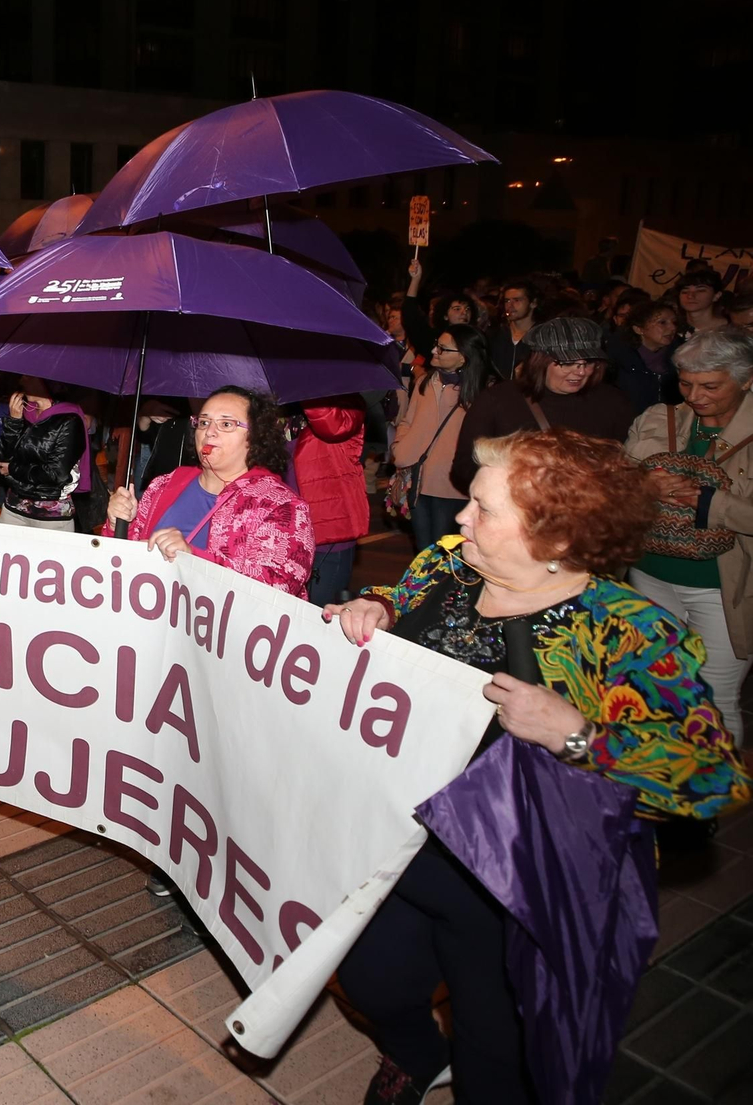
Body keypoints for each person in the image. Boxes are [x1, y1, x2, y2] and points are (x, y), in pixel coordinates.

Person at [324, 428, 747, 1101]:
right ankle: (416, 1054)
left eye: (484, 509)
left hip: (510, 886)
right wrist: (377, 604)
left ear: (555, 539)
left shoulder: (628, 631)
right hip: (399, 846)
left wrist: (576, 735)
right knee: (373, 983)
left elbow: (710, 777)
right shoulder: (447, 563)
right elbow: (402, 598)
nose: (461, 518)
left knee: (497, 1062)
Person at [625, 328, 753, 742]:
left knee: (713, 700)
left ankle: (716, 783)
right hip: (650, 574)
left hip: (725, 590)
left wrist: (710, 502)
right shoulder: (658, 418)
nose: (695, 395)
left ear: (747, 380)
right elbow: (612, 486)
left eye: (710, 386)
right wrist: (641, 485)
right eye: (686, 383)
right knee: (654, 689)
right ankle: (664, 773)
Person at [105, 386, 315, 597]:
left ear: (256, 436)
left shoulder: (281, 506)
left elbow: (276, 590)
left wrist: (192, 560)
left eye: (226, 424)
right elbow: (122, 565)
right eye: (204, 422)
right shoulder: (165, 484)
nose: (209, 432)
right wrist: (120, 525)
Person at [449, 317, 635, 494]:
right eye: (568, 362)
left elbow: (627, 464)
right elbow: (465, 467)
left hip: (587, 511)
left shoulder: (613, 402)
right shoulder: (497, 400)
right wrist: (520, 487)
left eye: (588, 363)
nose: (580, 372)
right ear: (540, 361)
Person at [393, 326, 496, 550]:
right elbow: (407, 421)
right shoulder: (425, 382)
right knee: (423, 552)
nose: (434, 351)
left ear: (463, 357)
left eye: (442, 348)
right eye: (436, 345)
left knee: (445, 552)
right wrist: (399, 447)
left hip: (451, 485)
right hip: (418, 480)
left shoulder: (484, 392)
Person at [294, 396, 369, 606]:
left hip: (328, 533)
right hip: (290, 531)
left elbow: (331, 426)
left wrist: (306, 383)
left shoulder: (349, 405)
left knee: (319, 610)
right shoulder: (285, 410)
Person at [0, 379, 88, 531]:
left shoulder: (69, 419)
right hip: (14, 507)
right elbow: (2, 458)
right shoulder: (24, 412)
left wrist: (13, 469)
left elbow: (56, 474)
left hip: (51, 515)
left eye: (27, 376)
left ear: (46, 381)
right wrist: (14, 422)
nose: (21, 380)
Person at [607, 300, 681, 415]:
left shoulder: (681, 356)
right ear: (639, 329)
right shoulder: (619, 358)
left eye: (674, 322)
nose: (672, 328)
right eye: (662, 322)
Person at [486, 278, 539, 380]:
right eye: (507, 301)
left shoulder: (542, 337)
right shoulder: (494, 334)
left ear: (533, 303)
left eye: (517, 300)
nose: (510, 305)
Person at [678, 267, 731, 336]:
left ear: (716, 296)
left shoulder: (730, 330)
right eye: (685, 291)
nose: (690, 296)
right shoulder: (673, 328)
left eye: (700, 291)